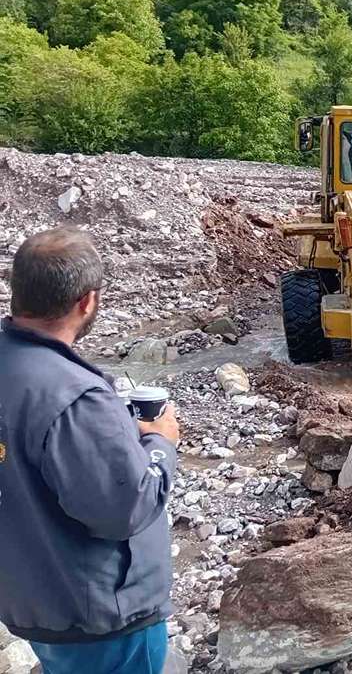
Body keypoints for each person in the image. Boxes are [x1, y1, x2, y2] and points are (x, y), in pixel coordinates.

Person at [0, 228, 180, 674]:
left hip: (34, 597)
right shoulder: (74, 397)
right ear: (87, 302)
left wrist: (111, 428)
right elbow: (125, 508)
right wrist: (160, 442)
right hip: (99, 618)